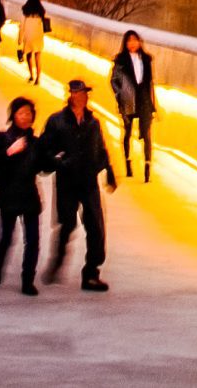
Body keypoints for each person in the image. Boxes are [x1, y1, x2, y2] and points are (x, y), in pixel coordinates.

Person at [40, 78, 117, 291]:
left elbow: (100, 148)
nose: (82, 96)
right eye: (78, 93)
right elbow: (44, 148)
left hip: (89, 181)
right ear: (71, 95)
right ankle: (57, 261)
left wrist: (108, 170)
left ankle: (91, 272)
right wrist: (58, 161)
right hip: (67, 180)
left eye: (84, 93)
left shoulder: (93, 122)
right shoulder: (57, 121)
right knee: (67, 224)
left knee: (96, 227)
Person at [0, 96, 45, 295]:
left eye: (28, 113)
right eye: (21, 113)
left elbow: (43, 166)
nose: (25, 117)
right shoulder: (2, 138)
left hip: (29, 196)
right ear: (13, 116)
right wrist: (9, 151)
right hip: (8, 196)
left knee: (33, 240)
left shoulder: (35, 142)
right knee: (6, 238)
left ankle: (28, 281)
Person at [110, 29, 155, 182]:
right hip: (128, 100)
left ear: (139, 42)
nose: (132, 43)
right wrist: (120, 95)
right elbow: (113, 80)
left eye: (135, 40)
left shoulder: (146, 60)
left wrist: (153, 104)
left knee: (146, 134)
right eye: (129, 40)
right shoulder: (120, 61)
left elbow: (150, 83)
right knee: (128, 132)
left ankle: (147, 166)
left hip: (144, 100)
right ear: (125, 43)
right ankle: (128, 163)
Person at [18, 0, 48, 86]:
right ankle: (38, 78)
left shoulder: (25, 13)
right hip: (38, 37)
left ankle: (31, 75)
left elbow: (22, 27)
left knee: (29, 56)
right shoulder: (41, 13)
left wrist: (20, 39)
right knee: (38, 57)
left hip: (28, 37)